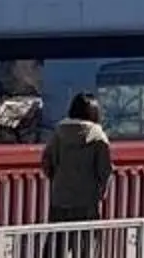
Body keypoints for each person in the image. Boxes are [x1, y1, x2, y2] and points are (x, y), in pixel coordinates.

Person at [44, 93, 114, 224]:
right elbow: (105, 170)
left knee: (60, 235)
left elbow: (47, 163)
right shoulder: (98, 137)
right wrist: (101, 193)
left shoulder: (58, 134)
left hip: (60, 199)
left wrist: (58, 181)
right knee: (85, 235)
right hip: (87, 200)